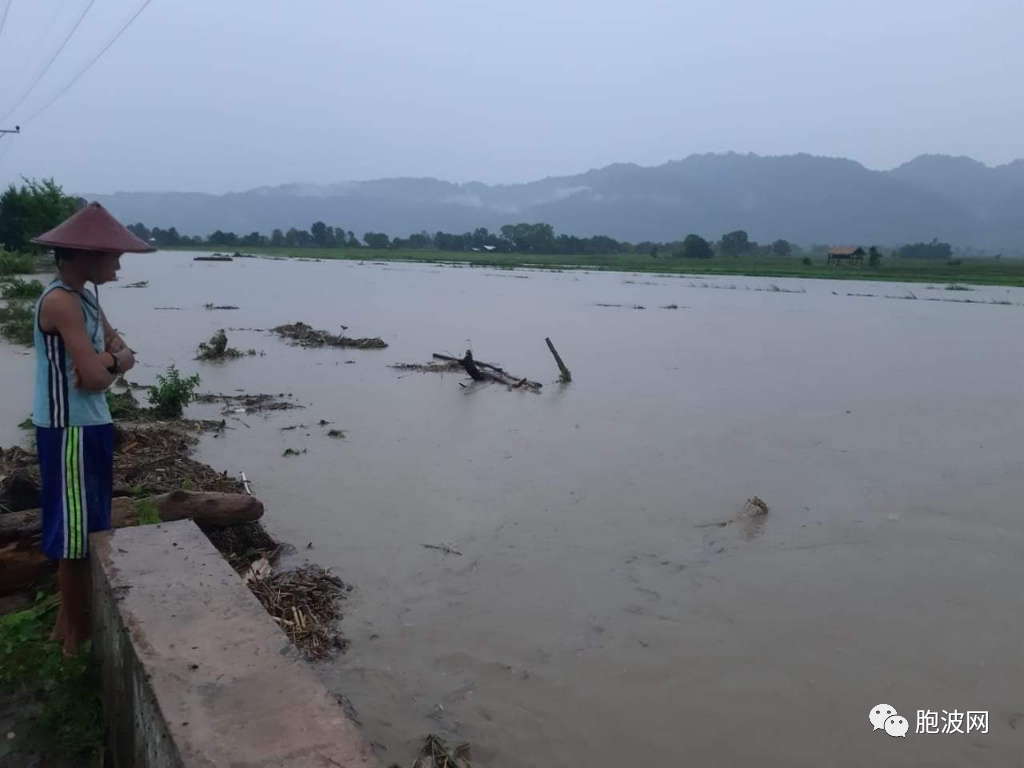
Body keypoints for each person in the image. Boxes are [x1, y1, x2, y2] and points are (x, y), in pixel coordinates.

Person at [30, 202, 154, 656]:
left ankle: (66, 627)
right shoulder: (61, 301)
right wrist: (111, 363)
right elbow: (100, 378)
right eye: (113, 255)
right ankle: (76, 642)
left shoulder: (84, 299)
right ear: (86, 254)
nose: (119, 264)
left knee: (88, 526)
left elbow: (121, 356)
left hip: (92, 425)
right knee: (75, 536)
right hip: (70, 432)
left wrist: (109, 359)